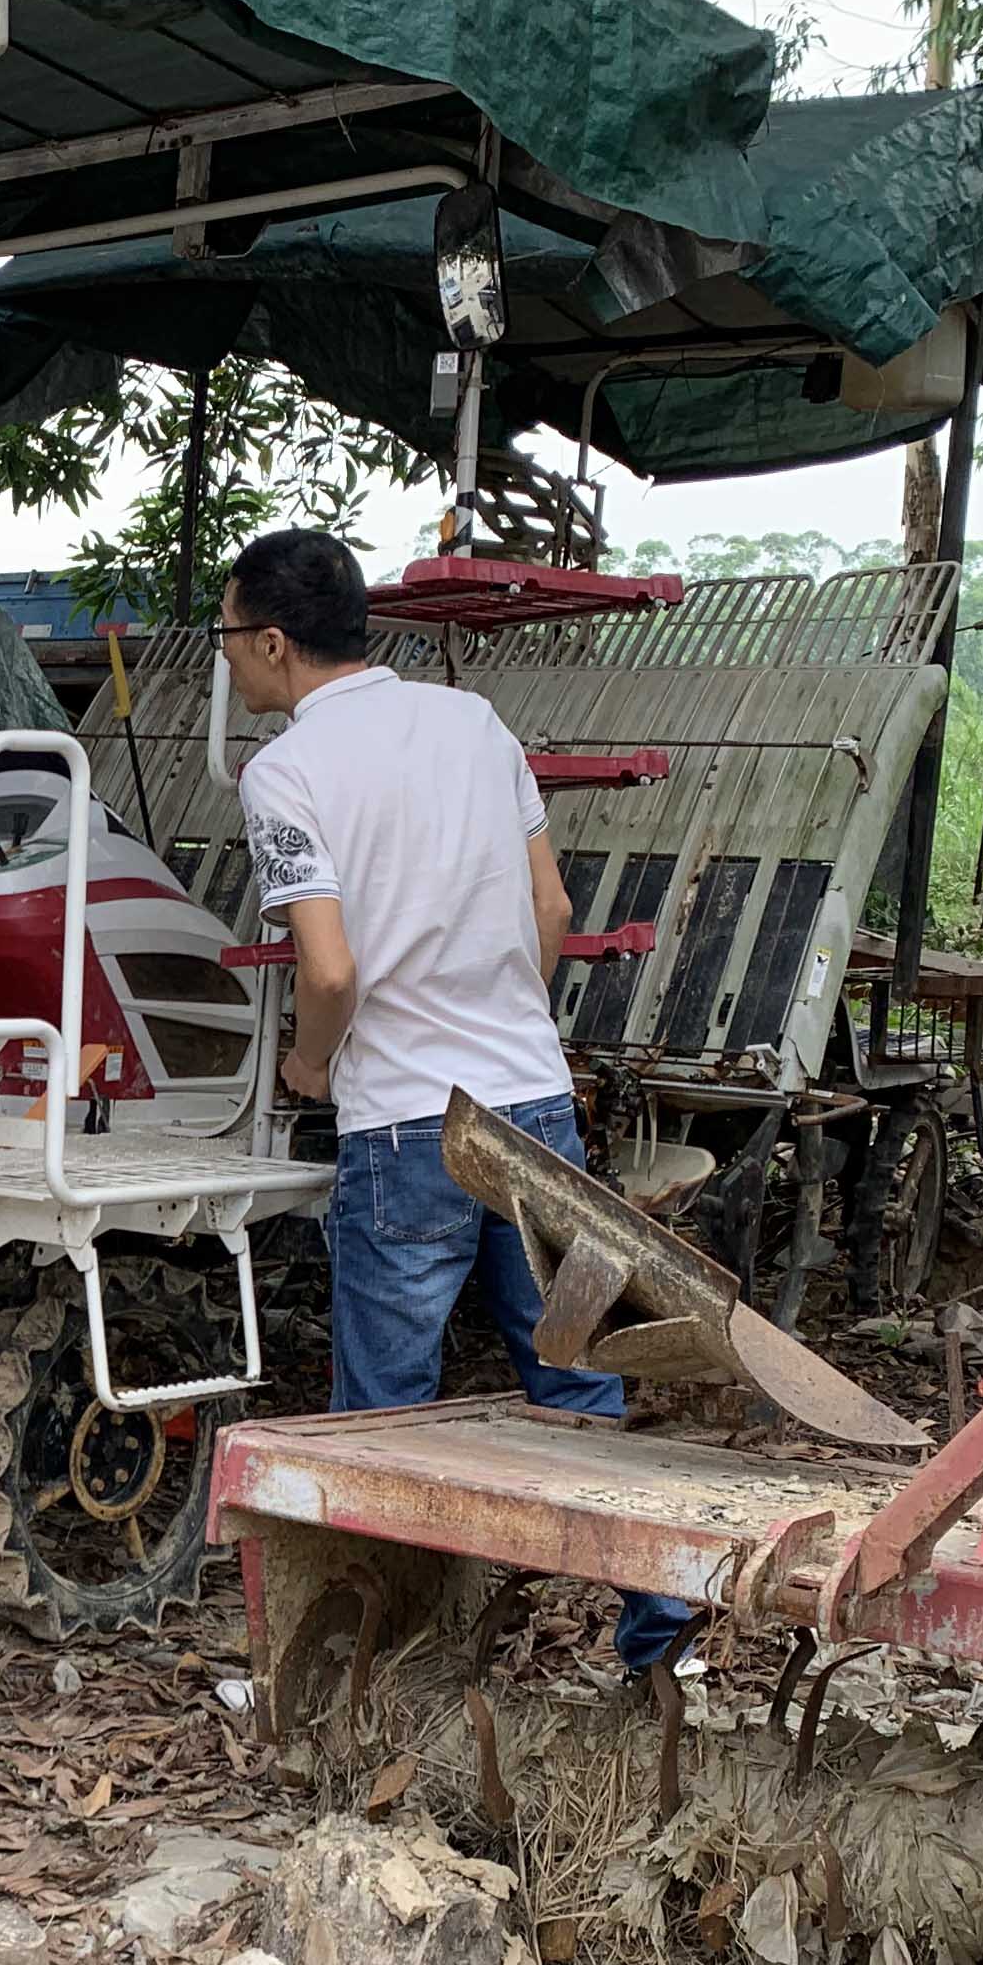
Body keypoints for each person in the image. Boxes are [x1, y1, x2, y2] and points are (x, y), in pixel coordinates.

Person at [223, 526, 699, 1672]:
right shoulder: (472, 724)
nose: (229, 659)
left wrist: (308, 1066)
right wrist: (506, 1024)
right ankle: (660, 1645)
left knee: (386, 1413)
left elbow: (329, 973)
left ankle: (369, 1668)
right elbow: (550, 909)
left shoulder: (284, 771)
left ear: (275, 643)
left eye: (231, 636)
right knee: (580, 1376)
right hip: (531, 1104)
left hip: (404, 1126)